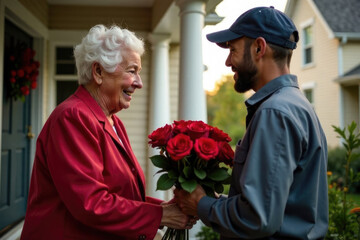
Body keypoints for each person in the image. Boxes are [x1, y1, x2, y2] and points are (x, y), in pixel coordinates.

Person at [21, 24, 194, 240]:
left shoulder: (113, 122)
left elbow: (121, 195)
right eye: (132, 71)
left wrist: (167, 208)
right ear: (99, 72)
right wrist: (161, 215)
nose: (138, 83)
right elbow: (91, 203)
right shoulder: (72, 117)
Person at [174, 6, 328, 239]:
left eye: (233, 50)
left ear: (259, 47)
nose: (227, 61)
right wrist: (215, 203)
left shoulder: (275, 112)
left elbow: (257, 218)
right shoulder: (297, 105)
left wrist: (201, 205)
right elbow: (276, 207)